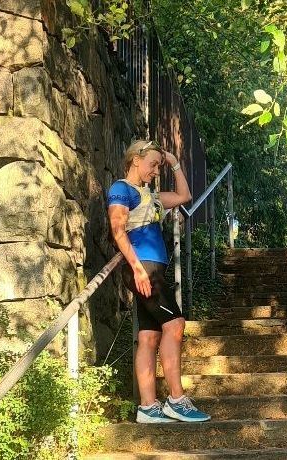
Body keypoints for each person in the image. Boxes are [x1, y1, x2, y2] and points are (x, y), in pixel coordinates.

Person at [107, 139, 211, 424]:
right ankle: (176, 400)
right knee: (175, 324)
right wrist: (138, 269)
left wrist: (173, 162)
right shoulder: (121, 189)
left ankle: (148, 407)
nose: (155, 170)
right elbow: (118, 231)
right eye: (153, 164)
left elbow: (184, 196)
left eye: (158, 165)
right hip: (144, 269)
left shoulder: (149, 196)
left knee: (149, 336)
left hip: (153, 269)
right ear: (135, 160)